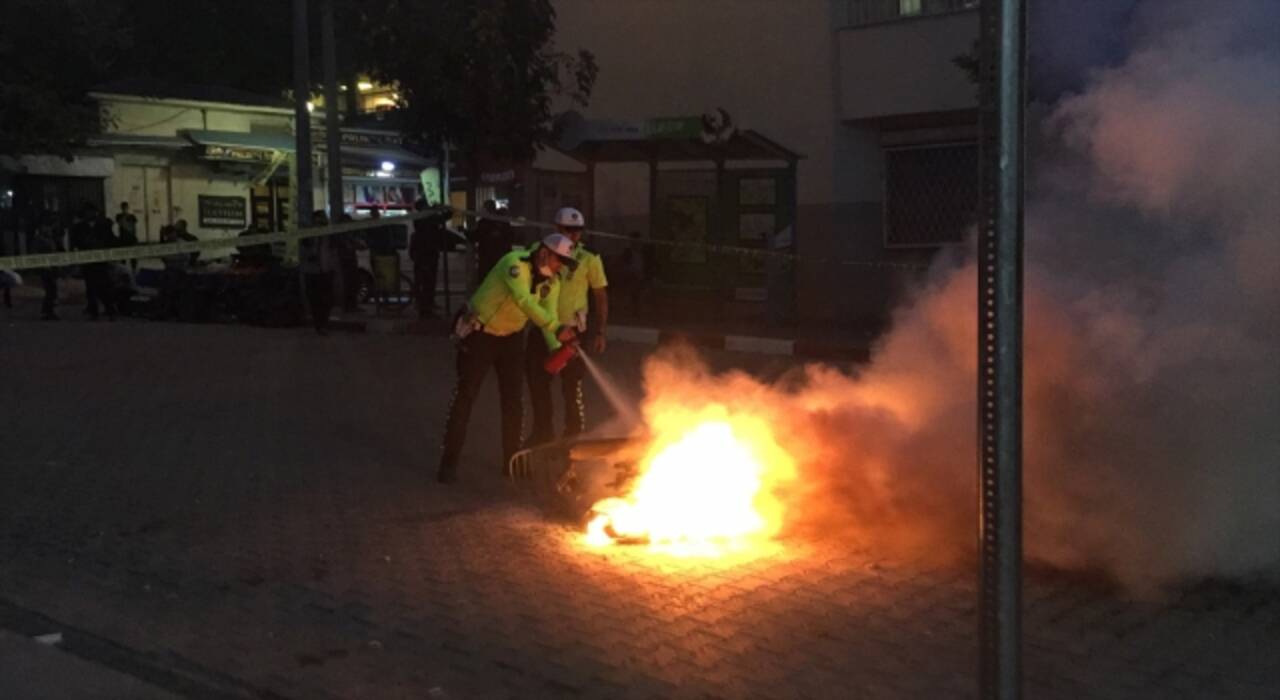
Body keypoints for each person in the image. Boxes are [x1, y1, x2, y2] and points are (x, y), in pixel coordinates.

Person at [437, 233, 579, 484]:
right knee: (466, 396)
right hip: (480, 335)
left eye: (564, 265)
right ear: (544, 253)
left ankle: (512, 463)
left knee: (514, 401)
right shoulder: (514, 264)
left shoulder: (552, 283)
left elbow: (548, 318)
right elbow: (524, 301)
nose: (560, 269)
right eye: (559, 261)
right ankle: (448, 463)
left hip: (511, 339)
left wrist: (560, 348)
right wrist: (557, 328)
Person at [525, 207, 609, 445]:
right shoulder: (539, 253)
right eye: (568, 230)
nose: (574, 235)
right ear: (556, 229)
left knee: (572, 389)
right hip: (543, 330)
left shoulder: (589, 258)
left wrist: (600, 330)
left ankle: (572, 439)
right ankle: (543, 433)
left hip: (573, 333)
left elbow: (600, 294)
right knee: (538, 386)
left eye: (578, 231)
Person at [70, 204, 116, 321]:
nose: (91, 214)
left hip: (101, 261)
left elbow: (111, 241)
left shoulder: (103, 226)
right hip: (87, 262)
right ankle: (93, 311)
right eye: (88, 212)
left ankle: (110, 310)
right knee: (91, 287)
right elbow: (74, 243)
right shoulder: (79, 228)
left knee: (105, 286)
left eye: (93, 212)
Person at [409, 199, 447, 319]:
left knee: (426, 282)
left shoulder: (422, 219)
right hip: (426, 255)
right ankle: (425, 310)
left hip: (425, 254)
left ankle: (425, 307)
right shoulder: (424, 219)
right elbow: (443, 218)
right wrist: (440, 209)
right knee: (427, 283)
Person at [301, 210, 335, 334]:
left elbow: (333, 249)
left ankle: (323, 323)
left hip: (325, 270)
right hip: (312, 271)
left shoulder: (329, 234)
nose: (320, 222)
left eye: (322, 219)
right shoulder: (309, 234)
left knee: (326, 299)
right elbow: (304, 248)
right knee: (315, 300)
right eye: (318, 220)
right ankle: (319, 325)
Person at [472, 200, 515, 280]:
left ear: (487, 209)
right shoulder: (502, 221)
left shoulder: (484, 223)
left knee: (487, 281)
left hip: (488, 259)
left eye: (483, 208)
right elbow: (510, 237)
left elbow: (476, 236)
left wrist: (467, 233)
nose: (482, 210)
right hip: (500, 259)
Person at [31, 217, 62, 320]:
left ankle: (48, 311)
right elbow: (36, 253)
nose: (48, 229)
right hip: (45, 269)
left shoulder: (51, 238)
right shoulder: (39, 239)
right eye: (46, 227)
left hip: (53, 268)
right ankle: (48, 312)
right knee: (51, 290)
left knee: (52, 290)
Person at [115, 202, 139, 271]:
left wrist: (135, 237)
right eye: (123, 208)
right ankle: (124, 270)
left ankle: (134, 270)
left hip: (131, 238)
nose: (125, 209)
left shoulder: (132, 216)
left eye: (126, 207)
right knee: (123, 257)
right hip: (123, 238)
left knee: (133, 257)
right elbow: (120, 223)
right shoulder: (119, 216)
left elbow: (134, 228)